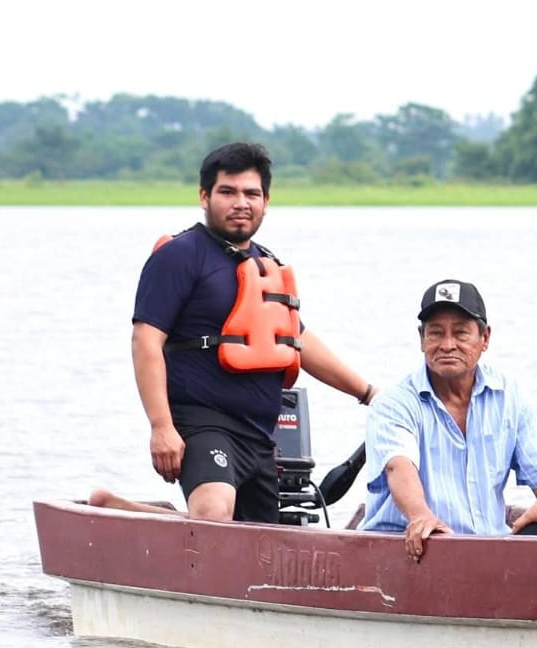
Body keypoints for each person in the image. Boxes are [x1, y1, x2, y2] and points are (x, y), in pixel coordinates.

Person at [126, 141, 377, 522]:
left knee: (261, 541)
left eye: (251, 193)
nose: (240, 202)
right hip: (201, 419)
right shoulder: (180, 256)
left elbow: (298, 340)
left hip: (261, 435)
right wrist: (161, 426)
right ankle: (143, 524)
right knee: (214, 509)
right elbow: (146, 339)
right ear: (204, 196)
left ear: (266, 200)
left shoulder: (268, 266)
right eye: (227, 192)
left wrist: (369, 394)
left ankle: (129, 511)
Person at [361, 280, 537, 558]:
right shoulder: (394, 403)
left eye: (461, 333)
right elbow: (398, 466)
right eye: (435, 333)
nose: (447, 345)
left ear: (485, 338)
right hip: (409, 553)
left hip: (486, 555)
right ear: (421, 339)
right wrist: (422, 517)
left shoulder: (509, 396)